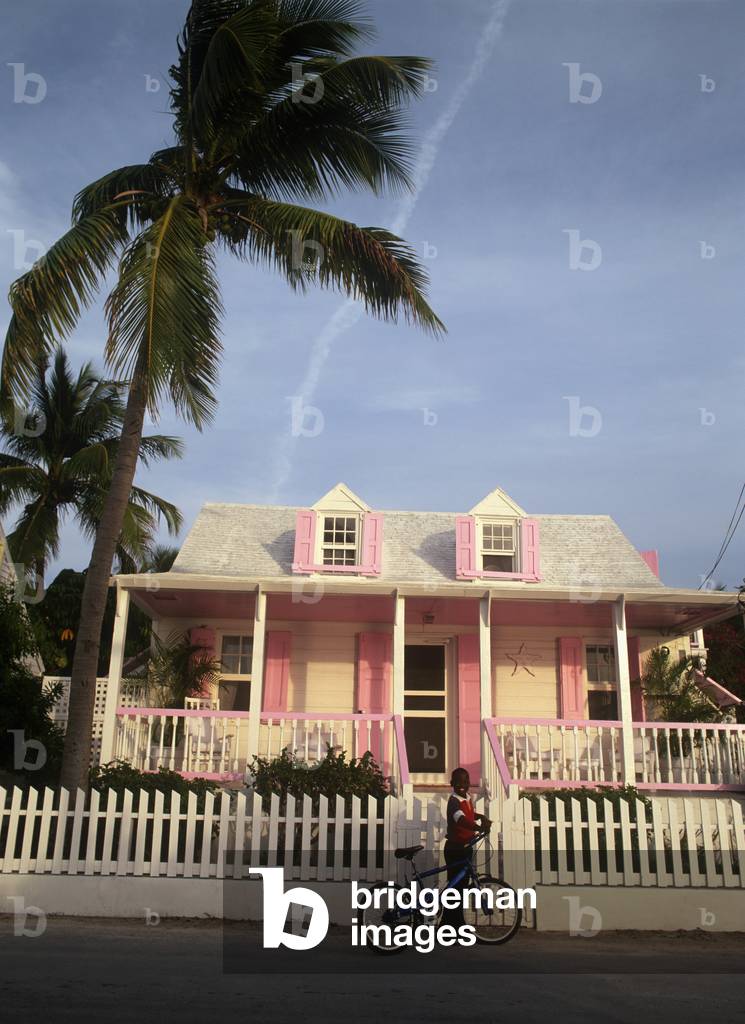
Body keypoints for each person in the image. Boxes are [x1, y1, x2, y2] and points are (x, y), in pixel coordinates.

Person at [441, 767, 491, 927]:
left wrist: (481, 817)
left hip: (465, 847)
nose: (461, 784)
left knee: (460, 889)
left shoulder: (467, 798)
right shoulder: (453, 802)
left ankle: (455, 924)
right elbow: (460, 819)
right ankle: (449, 926)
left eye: (465, 781)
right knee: (454, 889)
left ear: (469, 783)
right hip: (455, 849)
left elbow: (469, 815)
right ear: (451, 784)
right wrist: (477, 828)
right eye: (458, 782)